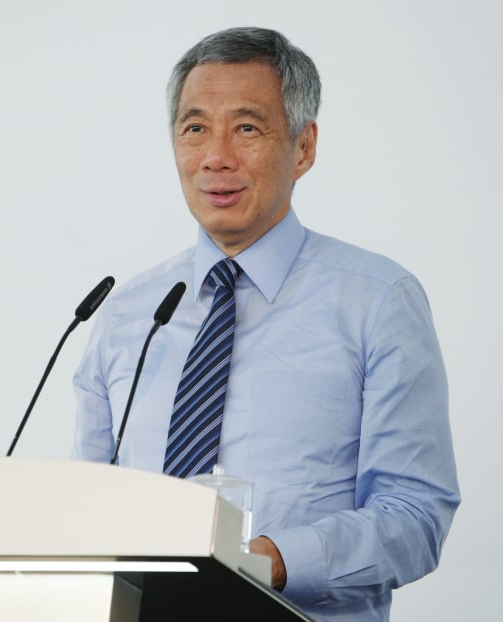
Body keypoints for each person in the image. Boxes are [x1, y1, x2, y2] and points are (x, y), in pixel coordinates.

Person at [72, 27, 460, 621]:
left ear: (303, 147)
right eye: (195, 129)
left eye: (247, 129)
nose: (216, 157)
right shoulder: (130, 313)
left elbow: (416, 515)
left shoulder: (378, 301)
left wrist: (273, 561)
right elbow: (85, 507)